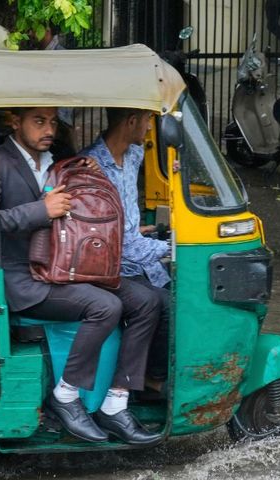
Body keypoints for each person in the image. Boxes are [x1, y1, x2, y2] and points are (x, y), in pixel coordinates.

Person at [0, 107, 163, 445]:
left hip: (70, 269)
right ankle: (66, 396)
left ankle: (116, 403)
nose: (49, 130)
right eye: (38, 121)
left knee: (146, 301)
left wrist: (89, 176)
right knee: (105, 306)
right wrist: (40, 210)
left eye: (53, 122)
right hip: (26, 280)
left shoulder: (60, 160)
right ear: (15, 122)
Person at [81, 108, 172, 396]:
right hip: (109, 266)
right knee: (167, 304)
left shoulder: (133, 155)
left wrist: (140, 231)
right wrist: (174, 247)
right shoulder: (91, 166)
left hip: (135, 257)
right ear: (132, 121)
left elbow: (125, 220)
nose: (149, 128)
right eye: (146, 120)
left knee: (183, 290)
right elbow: (118, 243)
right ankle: (152, 378)